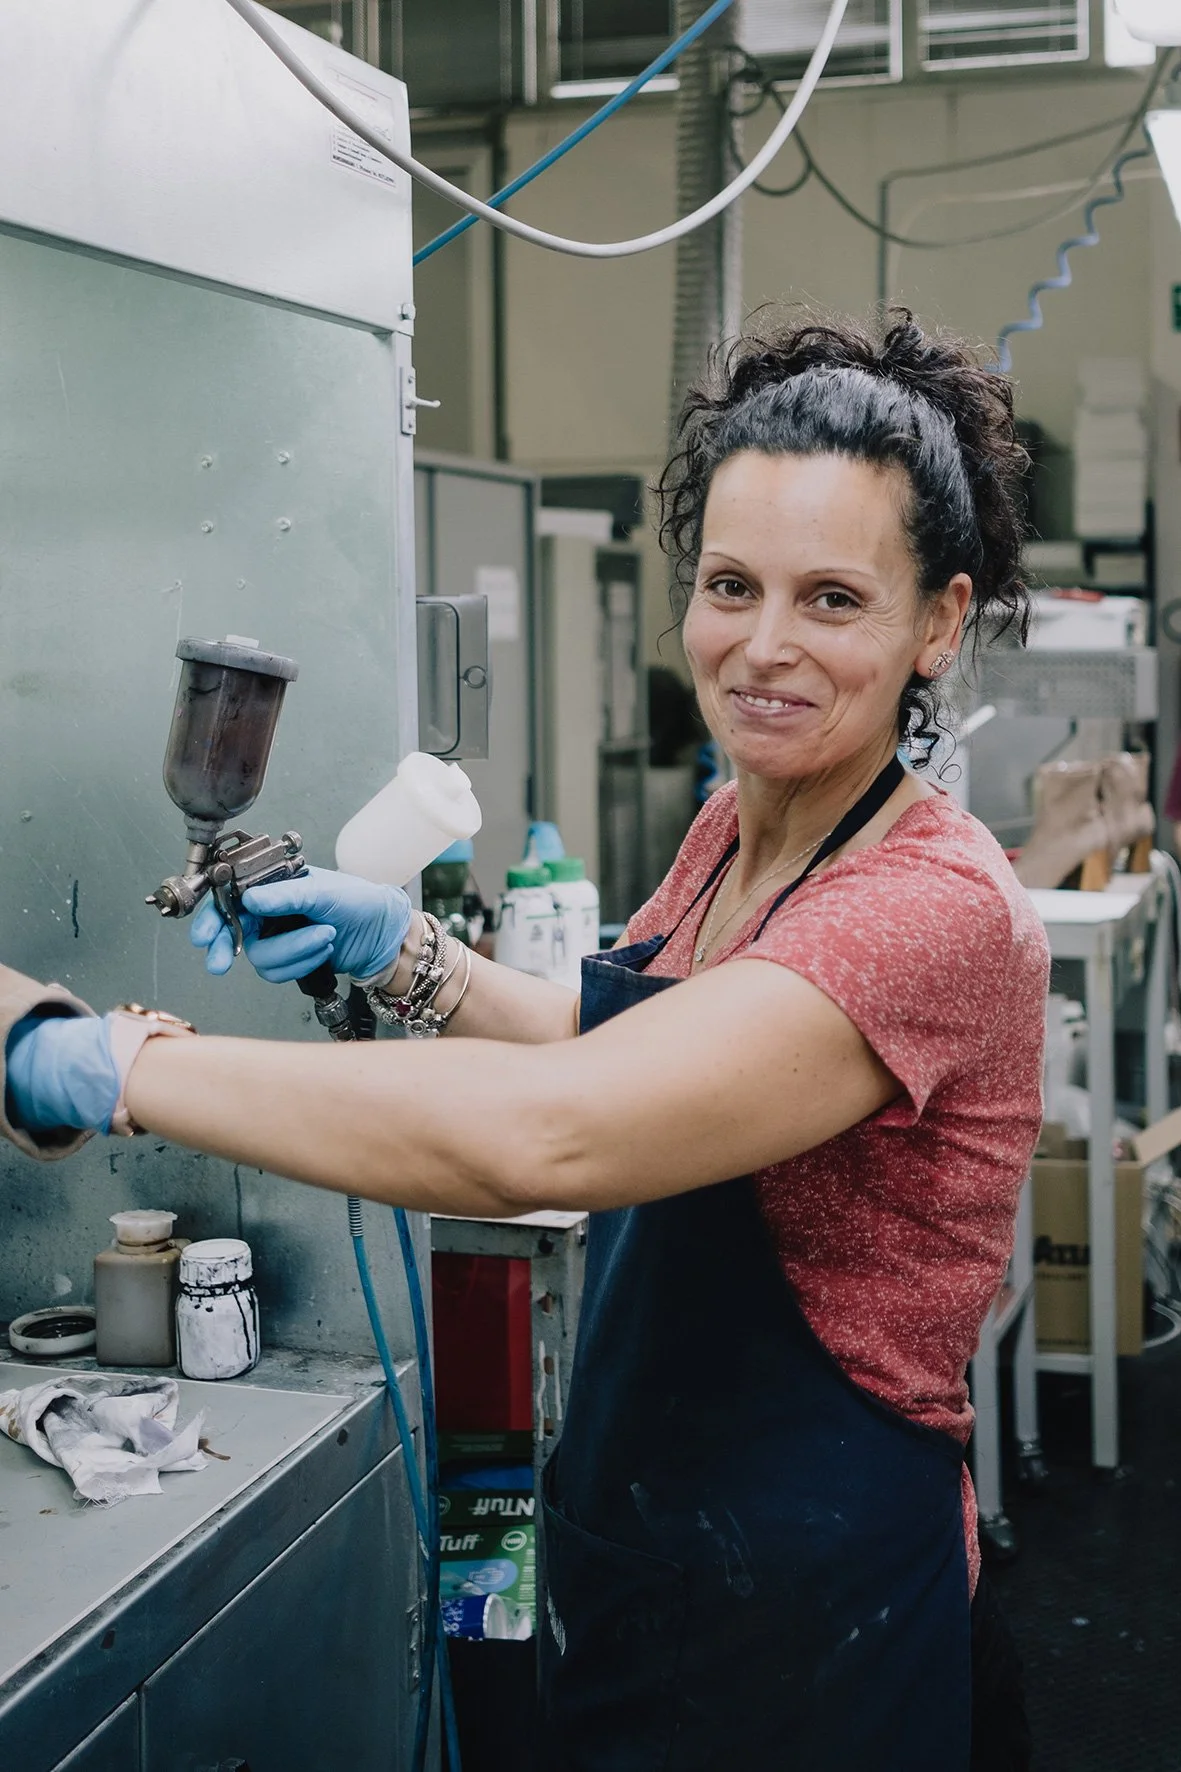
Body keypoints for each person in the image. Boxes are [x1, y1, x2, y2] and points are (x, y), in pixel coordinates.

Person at [1, 312, 1047, 1770]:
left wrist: (100, 1066)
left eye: (831, 600)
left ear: (939, 620)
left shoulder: (927, 908)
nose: (762, 648)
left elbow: (558, 1133)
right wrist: (410, 952)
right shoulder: (737, 826)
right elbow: (623, 1042)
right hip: (643, 1550)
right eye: (730, 586)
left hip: (818, 1622)